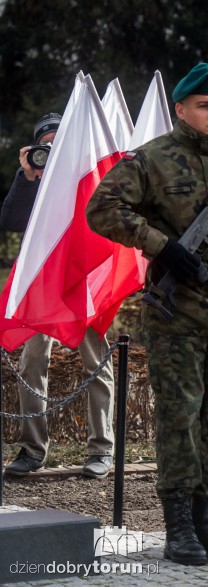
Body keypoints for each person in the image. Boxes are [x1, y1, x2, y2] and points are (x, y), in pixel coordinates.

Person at [86, 63, 208, 565]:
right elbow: (101, 207)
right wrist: (162, 247)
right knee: (180, 417)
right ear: (181, 109)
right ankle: (179, 530)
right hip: (178, 310)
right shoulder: (151, 160)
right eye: (203, 105)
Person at [1, 113, 114, 480]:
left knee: (96, 361)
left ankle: (102, 449)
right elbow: (11, 219)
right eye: (44, 144)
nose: (50, 150)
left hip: (82, 277)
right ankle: (33, 449)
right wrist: (28, 177)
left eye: (57, 143)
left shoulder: (87, 174)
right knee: (32, 360)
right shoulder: (34, 180)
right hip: (44, 281)